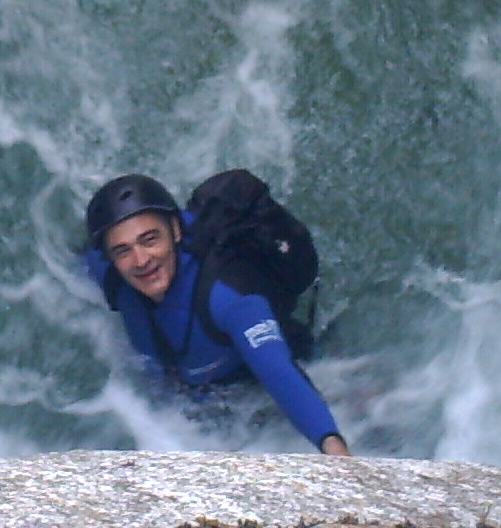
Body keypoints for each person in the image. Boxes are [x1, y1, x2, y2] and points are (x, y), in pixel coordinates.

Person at [83, 174, 351, 456]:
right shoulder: (111, 275)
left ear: (175, 230)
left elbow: (279, 373)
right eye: (123, 250)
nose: (141, 260)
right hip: (187, 400)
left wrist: (331, 443)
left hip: (255, 380)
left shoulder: (227, 297)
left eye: (150, 240)